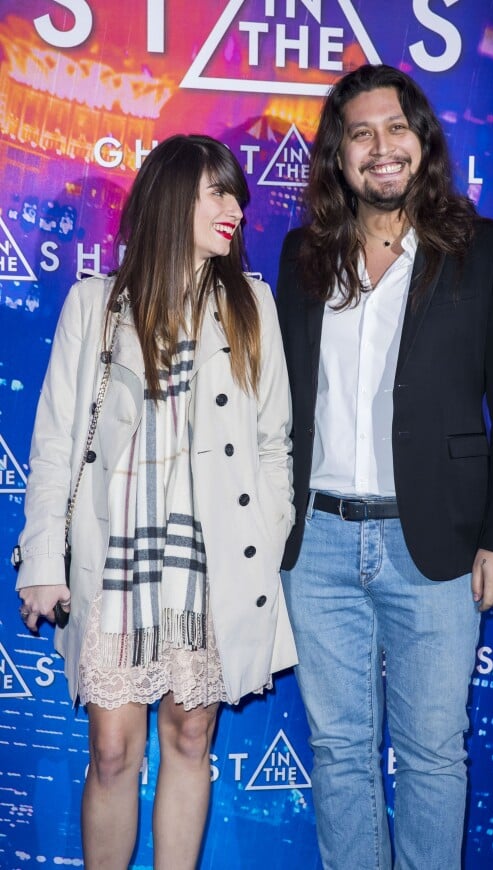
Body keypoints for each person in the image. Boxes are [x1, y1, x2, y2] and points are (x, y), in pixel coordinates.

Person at [275, 64, 493, 870]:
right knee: (341, 753)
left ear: (423, 143)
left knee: (432, 754)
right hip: (317, 547)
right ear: (339, 156)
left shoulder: (487, 251)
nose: (380, 149)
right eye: (360, 134)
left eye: (396, 129)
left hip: (439, 546)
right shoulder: (303, 256)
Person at [15, 134, 296, 869]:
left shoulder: (251, 305)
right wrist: (44, 558)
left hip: (212, 562)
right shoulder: (94, 306)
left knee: (190, 736)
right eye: (216, 192)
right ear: (171, 198)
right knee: (112, 752)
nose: (235, 208)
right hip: (117, 560)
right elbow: (54, 447)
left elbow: (274, 446)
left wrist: (264, 540)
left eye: (237, 194)